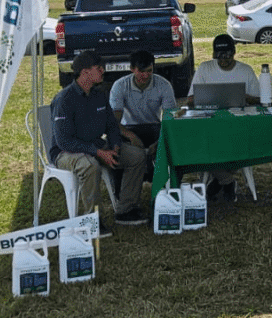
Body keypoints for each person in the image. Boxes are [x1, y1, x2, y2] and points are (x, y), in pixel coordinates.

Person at [50, 50, 148, 228]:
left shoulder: (99, 95)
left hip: (96, 146)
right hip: (66, 152)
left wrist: (116, 146)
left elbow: (111, 125)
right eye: (98, 68)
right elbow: (64, 142)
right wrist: (98, 152)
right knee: (89, 165)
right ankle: (92, 221)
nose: (103, 70)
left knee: (137, 156)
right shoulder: (64, 99)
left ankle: (126, 210)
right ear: (85, 72)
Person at [183, 33, 260, 201]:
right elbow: (190, 101)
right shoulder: (205, 68)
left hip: (239, 124)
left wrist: (243, 97)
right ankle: (227, 180)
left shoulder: (245, 70)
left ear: (234, 53)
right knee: (203, 143)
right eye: (219, 57)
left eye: (227, 57)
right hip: (209, 124)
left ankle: (220, 182)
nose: (223, 61)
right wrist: (208, 97)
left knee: (234, 143)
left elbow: (260, 100)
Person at [109, 50, 177, 182]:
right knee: (115, 145)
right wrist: (132, 136)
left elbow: (171, 119)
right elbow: (113, 122)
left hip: (154, 128)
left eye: (149, 70)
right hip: (128, 128)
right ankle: (120, 190)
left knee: (172, 141)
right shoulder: (120, 86)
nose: (146, 75)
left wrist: (160, 142)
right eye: (141, 71)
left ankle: (167, 184)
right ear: (132, 69)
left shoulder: (163, 85)